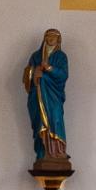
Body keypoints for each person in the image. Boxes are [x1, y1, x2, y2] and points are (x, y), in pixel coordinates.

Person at [23, 28, 70, 163]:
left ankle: (58, 151)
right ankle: (43, 152)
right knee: (40, 122)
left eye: (53, 37)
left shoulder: (61, 56)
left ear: (58, 40)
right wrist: (34, 71)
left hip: (54, 94)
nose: (50, 39)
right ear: (44, 38)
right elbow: (27, 76)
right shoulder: (36, 56)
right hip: (37, 96)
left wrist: (49, 68)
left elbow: (63, 75)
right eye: (48, 36)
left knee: (55, 117)